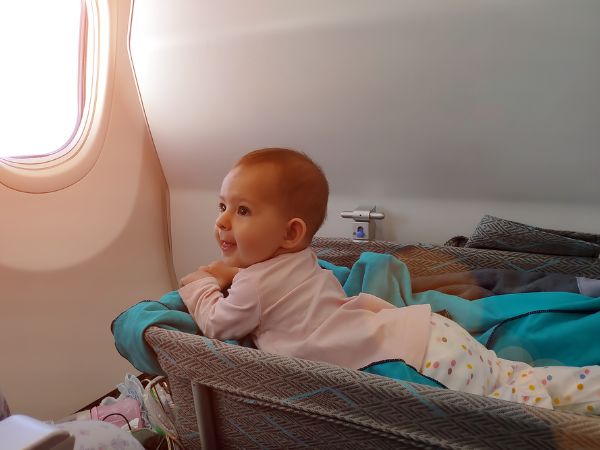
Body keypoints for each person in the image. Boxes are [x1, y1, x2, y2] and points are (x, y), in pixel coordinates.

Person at [179, 148, 600, 414]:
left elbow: (218, 323)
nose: (221, 221)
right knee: (513, 379)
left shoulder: (253, 286)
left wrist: (202, 281)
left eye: (242, 211)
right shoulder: (306, 259)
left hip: (409, 360)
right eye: (222, 206)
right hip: (425, 333)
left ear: (290, 233)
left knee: (515, 406)